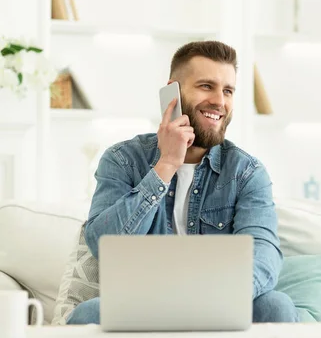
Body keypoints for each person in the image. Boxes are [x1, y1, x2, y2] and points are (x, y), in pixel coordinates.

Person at [66, 41, 299, 324]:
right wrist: (166, 165)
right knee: (88, 315)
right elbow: (103, 244)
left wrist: (208, 300)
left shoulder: (246, 172)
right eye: (206, 86)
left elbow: (263, 256)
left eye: (228, 91)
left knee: (276, 305)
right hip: (143, 305)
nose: (220, 102)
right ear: (171, 94)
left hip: (223, 303)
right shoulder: (123, 159)